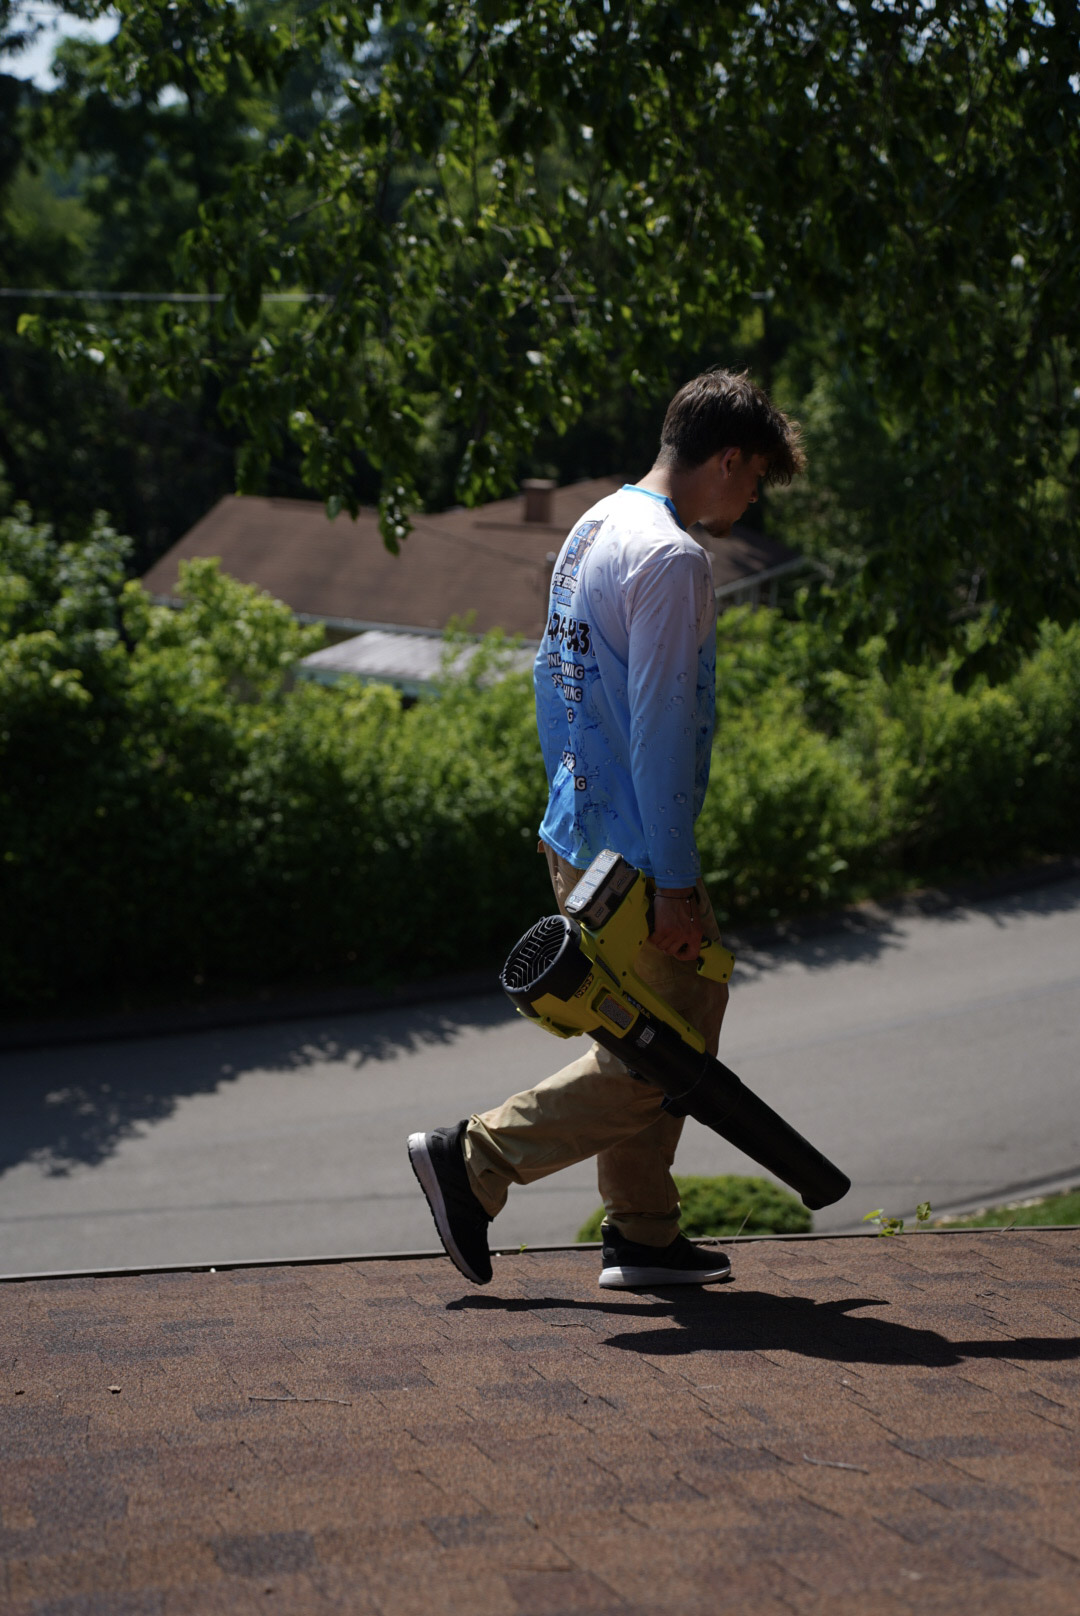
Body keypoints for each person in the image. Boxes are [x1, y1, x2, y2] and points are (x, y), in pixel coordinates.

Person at [409, 369, 805, 1288]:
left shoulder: (594, 525)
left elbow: (554, 682)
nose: (752, 501)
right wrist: (672, 882)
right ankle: (473, 1162)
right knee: (668, 1051)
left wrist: (574, 820)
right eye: (754, 482)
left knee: (645, 1033)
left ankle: (644, 1232)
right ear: (729, 458)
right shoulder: (669, 559)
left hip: (578, 829)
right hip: (635, 854)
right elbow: (662, 727)